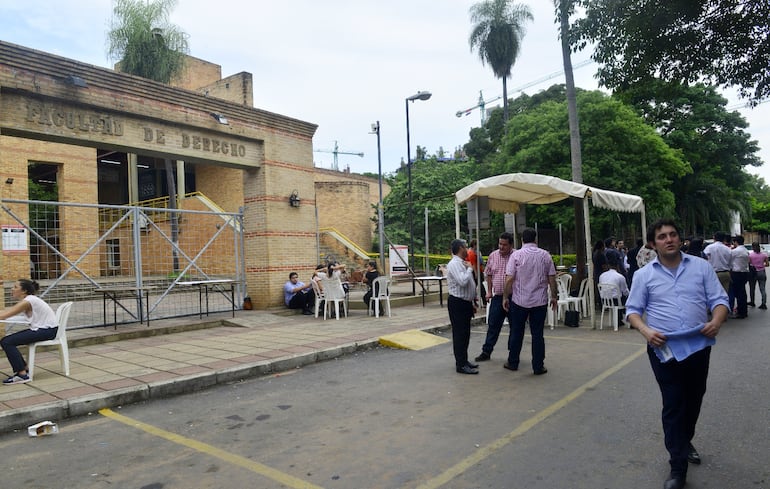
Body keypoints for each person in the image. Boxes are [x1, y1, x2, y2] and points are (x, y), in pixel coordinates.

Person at [625, 219, 729, 489]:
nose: (668, 239)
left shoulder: (701, 267)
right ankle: (677, 467)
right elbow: (633, 311)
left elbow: (719, 300)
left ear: (680, 239)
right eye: (662, 236)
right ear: (653, 243)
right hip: (663, 349)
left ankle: (684, 440)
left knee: (694, 399)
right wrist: (646, 332)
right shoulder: (643, 275)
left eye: (673, 235)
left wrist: (716, 322)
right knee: (673, 403)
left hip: (698, 347)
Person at [502, 228, 557, 375]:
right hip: (540, 302)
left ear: (522, 240)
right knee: (537, 334)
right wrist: (554, 297)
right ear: (535, 239)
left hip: (519, 301)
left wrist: (505, 297)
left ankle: (513, 362)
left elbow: (509, 279)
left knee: (517, 332)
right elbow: (552, 278)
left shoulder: (516, 256)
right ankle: (538, 366)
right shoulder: (545, 255)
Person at [0, 279, 59, 385]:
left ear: (24, 291)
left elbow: (5, 314)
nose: (12, 289)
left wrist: (3, 316)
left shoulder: (28, 301)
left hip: (46, 331)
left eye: (15, 287)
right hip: (47, 329)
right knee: (7, 341)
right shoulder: (29, 299)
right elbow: (6, 314)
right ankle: (24, 368)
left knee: (7, 341)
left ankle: (22, 374)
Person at [474, 232, 514, 362]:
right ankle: (486, 351)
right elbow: (489, 274)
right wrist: (489, 291)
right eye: (500, 244)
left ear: (511, 245)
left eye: (505, 245)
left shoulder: (516, 256)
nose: (501, 247)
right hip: (498, 296)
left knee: (515, 326)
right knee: (493, 324)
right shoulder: (493, 256)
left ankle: (513, 353)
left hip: (514, 297)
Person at [446, 239, 479, 375]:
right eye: (465, 247)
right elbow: (463, 282)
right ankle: (460, 364)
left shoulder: (462, 263)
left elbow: (470, 283)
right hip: (457, 303)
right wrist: (470, 268)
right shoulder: (454, 264)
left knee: (465, 334)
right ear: (460, 248)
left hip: (465, 303)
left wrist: (472, 299)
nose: (468, 250)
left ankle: (464, 360)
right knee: (459, 334)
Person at [599, 262, 629, 326]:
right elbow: (625, 291)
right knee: (625, 297)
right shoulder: (620, 277)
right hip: (616, 301)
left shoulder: (602, 275)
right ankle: (628, 319)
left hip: (604, 300)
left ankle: (619, 318)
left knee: (619, 295)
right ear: (618, 267)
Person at [729, 235, 750, 318]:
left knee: (738, 293)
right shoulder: (745, 250)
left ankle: (741, 312)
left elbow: (729, 261)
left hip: (736, 273)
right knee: (742, 292)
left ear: (736, 242)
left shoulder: (735, 251)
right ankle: (743, 311)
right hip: (744, 273)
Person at [748, 242, 768, 309]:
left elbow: (749, 264)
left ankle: (752, 302)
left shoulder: (750, 255)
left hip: (753, 273)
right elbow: (767, 264)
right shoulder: (764, 255)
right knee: (762, 288)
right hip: (762, 272)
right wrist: (761, 265)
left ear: (753, 247)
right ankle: (763, 303)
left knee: (752, 288)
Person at [466, 239, 486, 305]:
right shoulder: (471, 253)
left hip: (477, 271)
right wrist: (476, 273)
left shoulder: (474, 252)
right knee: (480, 286)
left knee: (475, 286)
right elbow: (473, 264)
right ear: (474, 245)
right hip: (476, 271)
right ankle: (483, 301)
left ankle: (475, 301)